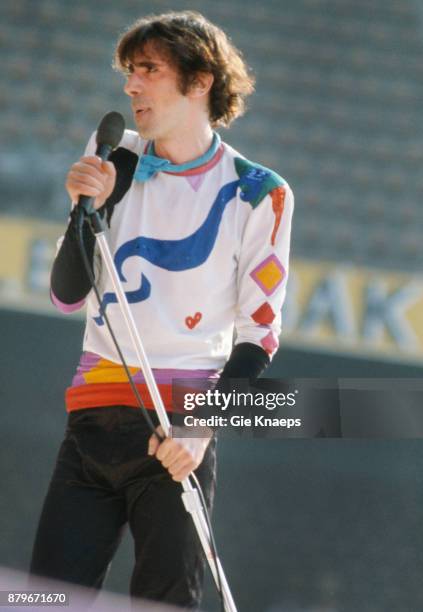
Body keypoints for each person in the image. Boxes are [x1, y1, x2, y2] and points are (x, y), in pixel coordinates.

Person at [30, 10, 294, 610]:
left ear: (200, 81)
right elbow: (67, 294)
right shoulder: (113, 157)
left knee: (168, 599)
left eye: (148, 69)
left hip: (180, 431)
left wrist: (200, 432)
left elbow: (260, 337)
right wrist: (81, 210)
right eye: (128, 71)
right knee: (41, 599)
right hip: (93, 418)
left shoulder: (261, 191)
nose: (131, 85)